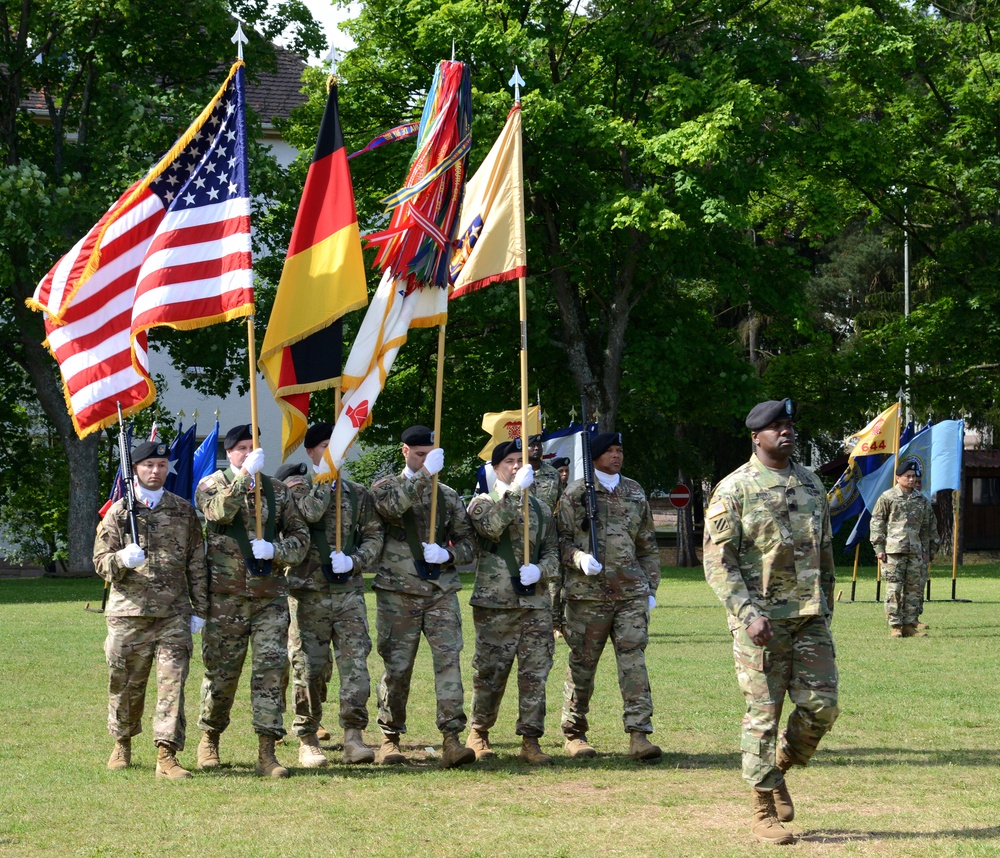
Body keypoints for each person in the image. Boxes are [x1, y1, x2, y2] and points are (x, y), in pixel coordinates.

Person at [703, 398, 839, 845]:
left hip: (809, 617)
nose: (786, 431)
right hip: (760, 621)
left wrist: (825, 607)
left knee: (823, 707)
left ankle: (779, 764)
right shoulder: (733, 489)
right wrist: (746, 614)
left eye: (788, 425)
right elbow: (717, 563)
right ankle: (763, 810)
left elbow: (825, 551)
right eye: (775, 426)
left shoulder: (811, 483)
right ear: (755, 436)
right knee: (763, 714)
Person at [194, 424, 309, 777]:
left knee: (270, 674)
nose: (247, 452)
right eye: (241, 448)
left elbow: (300, 538)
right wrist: (243, 476)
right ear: (229, 453)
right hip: (225, 599)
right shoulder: (210, 483)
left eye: (252, 447)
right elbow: (217, 513)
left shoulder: (277, 491)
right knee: (221, 673)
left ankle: (266, 751)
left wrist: (276, 550)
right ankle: (210, 736)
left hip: (269, 598)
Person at [93, 440, 208, 779]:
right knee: (126, 684)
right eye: (148, 466)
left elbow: (197, 563)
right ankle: (123, 741)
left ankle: (166, 755)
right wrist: (121, 560)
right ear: (136, 470)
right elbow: (100, 563)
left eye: (161, 465)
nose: (155, 471)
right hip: (129, 613)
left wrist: (199, 609)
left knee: (173, 683)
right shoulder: (118, 512)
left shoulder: (182, 510)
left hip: (173, 613)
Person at [370, 425, 478, 768]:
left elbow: (468, 543)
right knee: (397, 668)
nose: (426, 460)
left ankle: (451, 739)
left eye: (431, 454)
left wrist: (448, 556)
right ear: (405, 451)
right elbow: (391, 508)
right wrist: (423, 475)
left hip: (440, 592)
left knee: (449, 662)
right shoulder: (385, 486)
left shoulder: (446, 495)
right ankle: (389, 738)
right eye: (420, 454)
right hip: (398, 592)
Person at [280, 422, 384, 767]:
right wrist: (325, 480)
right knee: (309, 667)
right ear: (310, 452)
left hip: (348, 593)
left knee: (355, 665)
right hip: (308, 593)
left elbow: (373, 536)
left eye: (338, 447)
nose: (332, 453)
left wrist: (355, 561)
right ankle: (307, 737)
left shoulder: (358, 493)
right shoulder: (295, 487)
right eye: (325, 446)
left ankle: (354, 736)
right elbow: (310, 513)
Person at [556, 431, 662, 762]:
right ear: (595, 456)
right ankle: (575, 733)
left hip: (630, 593)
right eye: (610, 451)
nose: (616, 455)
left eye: (620, 450)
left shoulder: (634, 491)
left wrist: (651, 588)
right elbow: (559, 542)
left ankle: (639, 734)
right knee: (583, 665)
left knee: (634, 662)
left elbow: (647, 543)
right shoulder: (576, 493)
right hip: (586, 596)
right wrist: (579, 559)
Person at [465, 438, 559, 765]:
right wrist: (515, 491)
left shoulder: (542, 509)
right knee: (490, 672)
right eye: (509, 461)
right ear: (495, 468)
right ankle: (479, 732)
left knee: (535, 673)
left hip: (535, 604)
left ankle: (531, 739)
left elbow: (553, 553)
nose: (517, 465)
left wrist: (541, 570)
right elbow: (492, 527)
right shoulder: (481, 503)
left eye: (521, 460)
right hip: (496, 603)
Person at [870, 459, 940, 638]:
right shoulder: (887, 497)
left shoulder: (921, 500)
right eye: (907, 476)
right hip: (893, 552)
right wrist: (879, 547)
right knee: (894, 589)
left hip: (916, 552)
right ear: (898, 477)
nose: (911, 480)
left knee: (913, 590)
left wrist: (929, 550)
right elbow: (877, 522)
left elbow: (928, 527)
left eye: (913, 476)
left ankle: (909, 625)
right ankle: (895, 626)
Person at [912, 473, 937, 631]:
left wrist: (933, 549)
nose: (917, 484)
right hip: (900, 552)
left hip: (921, 552)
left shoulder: (924, 503)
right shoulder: (891, 499)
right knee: (899, 587)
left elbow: (932, 528)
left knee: (918, 587)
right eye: (914, 481)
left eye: (920, 482)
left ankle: (914, 618)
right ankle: (897, 619)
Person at [527, 434, 563, 511]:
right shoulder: (517, 473)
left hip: (548, 522)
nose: (536, 448)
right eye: (532, 445)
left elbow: (562, 502)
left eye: (538, 445)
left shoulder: (554, 473)